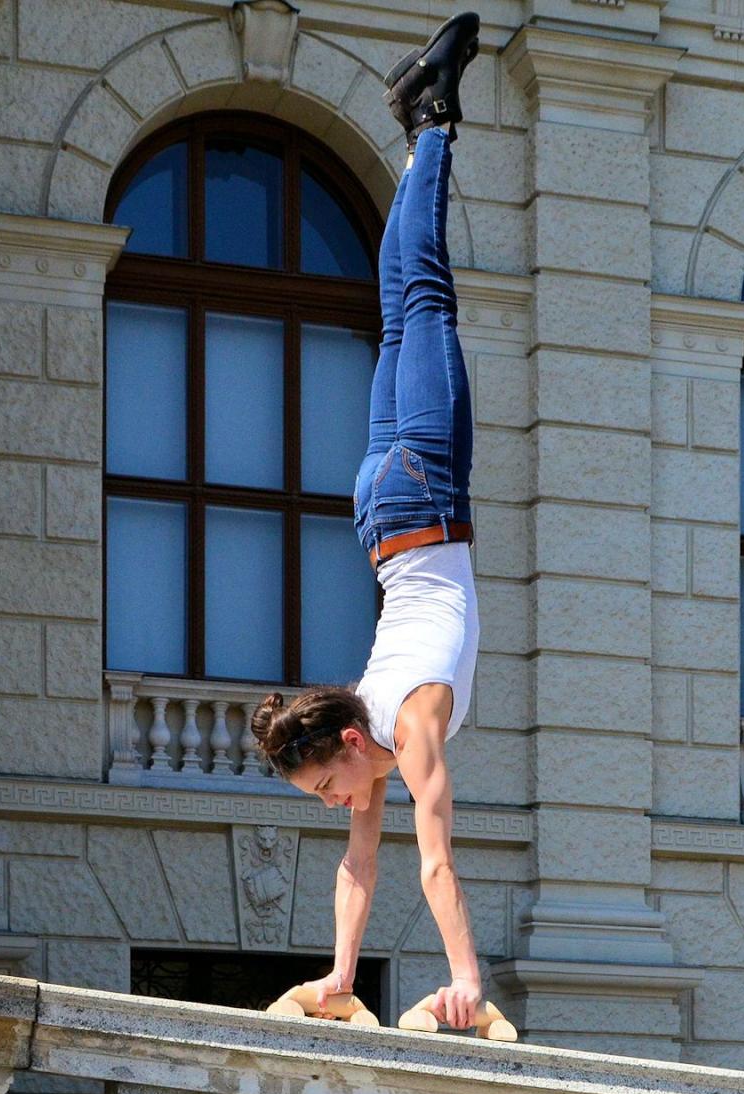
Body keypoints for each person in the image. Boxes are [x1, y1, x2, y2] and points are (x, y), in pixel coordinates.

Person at [250, 12, 485, 1032]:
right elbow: (365, 867)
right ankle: (414, 124)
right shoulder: (379, 744)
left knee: (424, 303)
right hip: (384, 507)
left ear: (348, 737)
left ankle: (431, 117)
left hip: (420, 492)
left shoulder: (411, 717)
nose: (340, 802)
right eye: (325, 797)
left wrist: (465, 979)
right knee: (402, 314)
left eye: (328, 783)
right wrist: (341, 974)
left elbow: (433, 855)